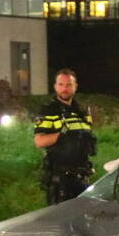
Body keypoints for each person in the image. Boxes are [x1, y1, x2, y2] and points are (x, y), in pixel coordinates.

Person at [34, 69, 96, 204]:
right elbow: (38, 141)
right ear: (55, 86)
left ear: (75, 87)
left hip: (82, 178)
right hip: (61, 181)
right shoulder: (49, 110)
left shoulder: (82, 112)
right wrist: (62, 136)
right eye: (61, 85)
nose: (64, 89)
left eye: (69, 85)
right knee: (60, 223)